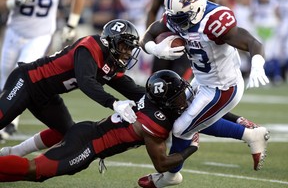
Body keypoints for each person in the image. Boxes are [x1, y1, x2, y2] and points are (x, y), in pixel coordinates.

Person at [138, 0, 270, 188]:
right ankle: (251, 134)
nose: (176, 24)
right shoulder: (177, 15)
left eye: (180, 18)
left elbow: (254, 43)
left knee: (181, 129)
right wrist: (155, 49)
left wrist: (257, 63)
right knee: (177, 114)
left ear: (196, 8)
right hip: (201, 79)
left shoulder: (214, 21)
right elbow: (149, 34)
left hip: (223, 87)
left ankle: (171, 177)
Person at [0, 70, 200, 182]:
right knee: (36, 169)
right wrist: (190, 149)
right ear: (165, 101)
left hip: (88, 134)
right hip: (87, 144)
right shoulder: (154, 123)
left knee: (37, 174)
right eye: (178, 95)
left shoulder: (151, 102)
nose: (183, 98)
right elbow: (161, 164)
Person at [0, 19, 145, 156]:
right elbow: (86, 82)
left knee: (68, 134)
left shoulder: (112, 63)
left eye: (131, 48)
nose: (128, 52)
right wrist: (113, 102)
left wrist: (158, 97)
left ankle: (13, 153)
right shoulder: (90, 46)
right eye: (124, 46)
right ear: (110, 42)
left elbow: (131, 89)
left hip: (47, 94)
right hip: (27, 81)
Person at [145, 0, 256, 130]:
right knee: (158, 88)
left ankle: (240, 127)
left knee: (181, 98)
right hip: (173, 38)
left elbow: (209, 14)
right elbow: (154, 11)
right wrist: (155, 46)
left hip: (199, 52)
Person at [0, 0, 86, 140]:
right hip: (15, 32)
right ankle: (5, 115)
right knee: (4, 75)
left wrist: (72, 24)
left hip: (40, 35)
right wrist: (14, 2)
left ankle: (10, 123)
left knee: (22, 73)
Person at [146, 0, 216, 81]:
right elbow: (152, 10)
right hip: (167, 32)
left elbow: (212, 13)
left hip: (191, 37)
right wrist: (152, 37)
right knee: (156, 81)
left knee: (178, 82)